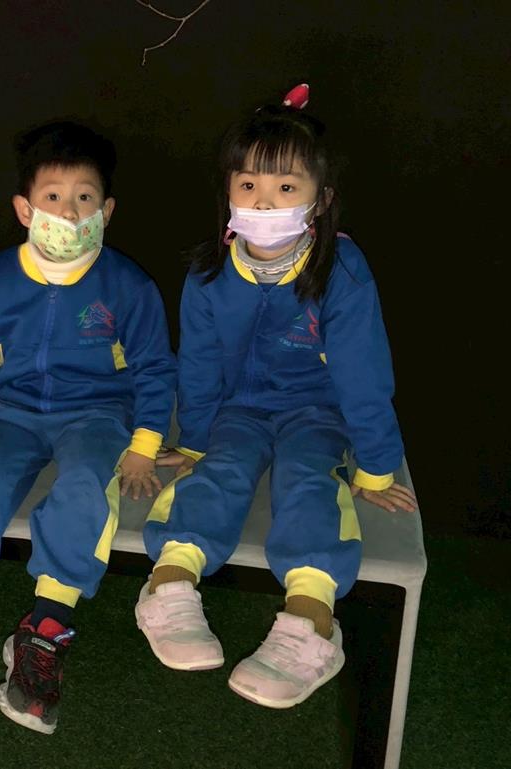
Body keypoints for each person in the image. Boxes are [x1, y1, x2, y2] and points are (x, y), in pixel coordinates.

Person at [0, 121, 176, 734]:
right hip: (10, 412)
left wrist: (144, 444)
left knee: (84, 487)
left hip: (96, 414)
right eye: (53, 197)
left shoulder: (128, 285)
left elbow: (155, 366)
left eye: (84, 198)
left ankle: (45, 629)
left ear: (107, 211)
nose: (68, 212)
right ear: (25, 209)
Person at [136, 87, 417, 709]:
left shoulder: (341, 269)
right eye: (249, 185)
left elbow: (364, 373)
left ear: (322, 199)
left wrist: (375, 466)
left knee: (307, 478)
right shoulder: (209, 271)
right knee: (221, 471)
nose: (264, 202)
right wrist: (196, 440)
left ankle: (310, 621)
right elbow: (198, 364)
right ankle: (169, 583)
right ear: (228, 192)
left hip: (316, 411)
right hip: (238, 410)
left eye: (286, 187)